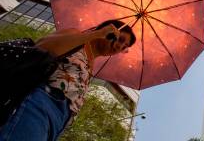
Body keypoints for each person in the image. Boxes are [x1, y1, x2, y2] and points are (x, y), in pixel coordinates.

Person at [0, 19, 136, 141]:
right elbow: (43, 46)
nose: (120, 47)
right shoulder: (78, 37)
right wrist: (96, 34)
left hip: (58, 122)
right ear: (109, 30)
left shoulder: (91, 66)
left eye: (125, 47)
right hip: (41, 102)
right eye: (120, 40)